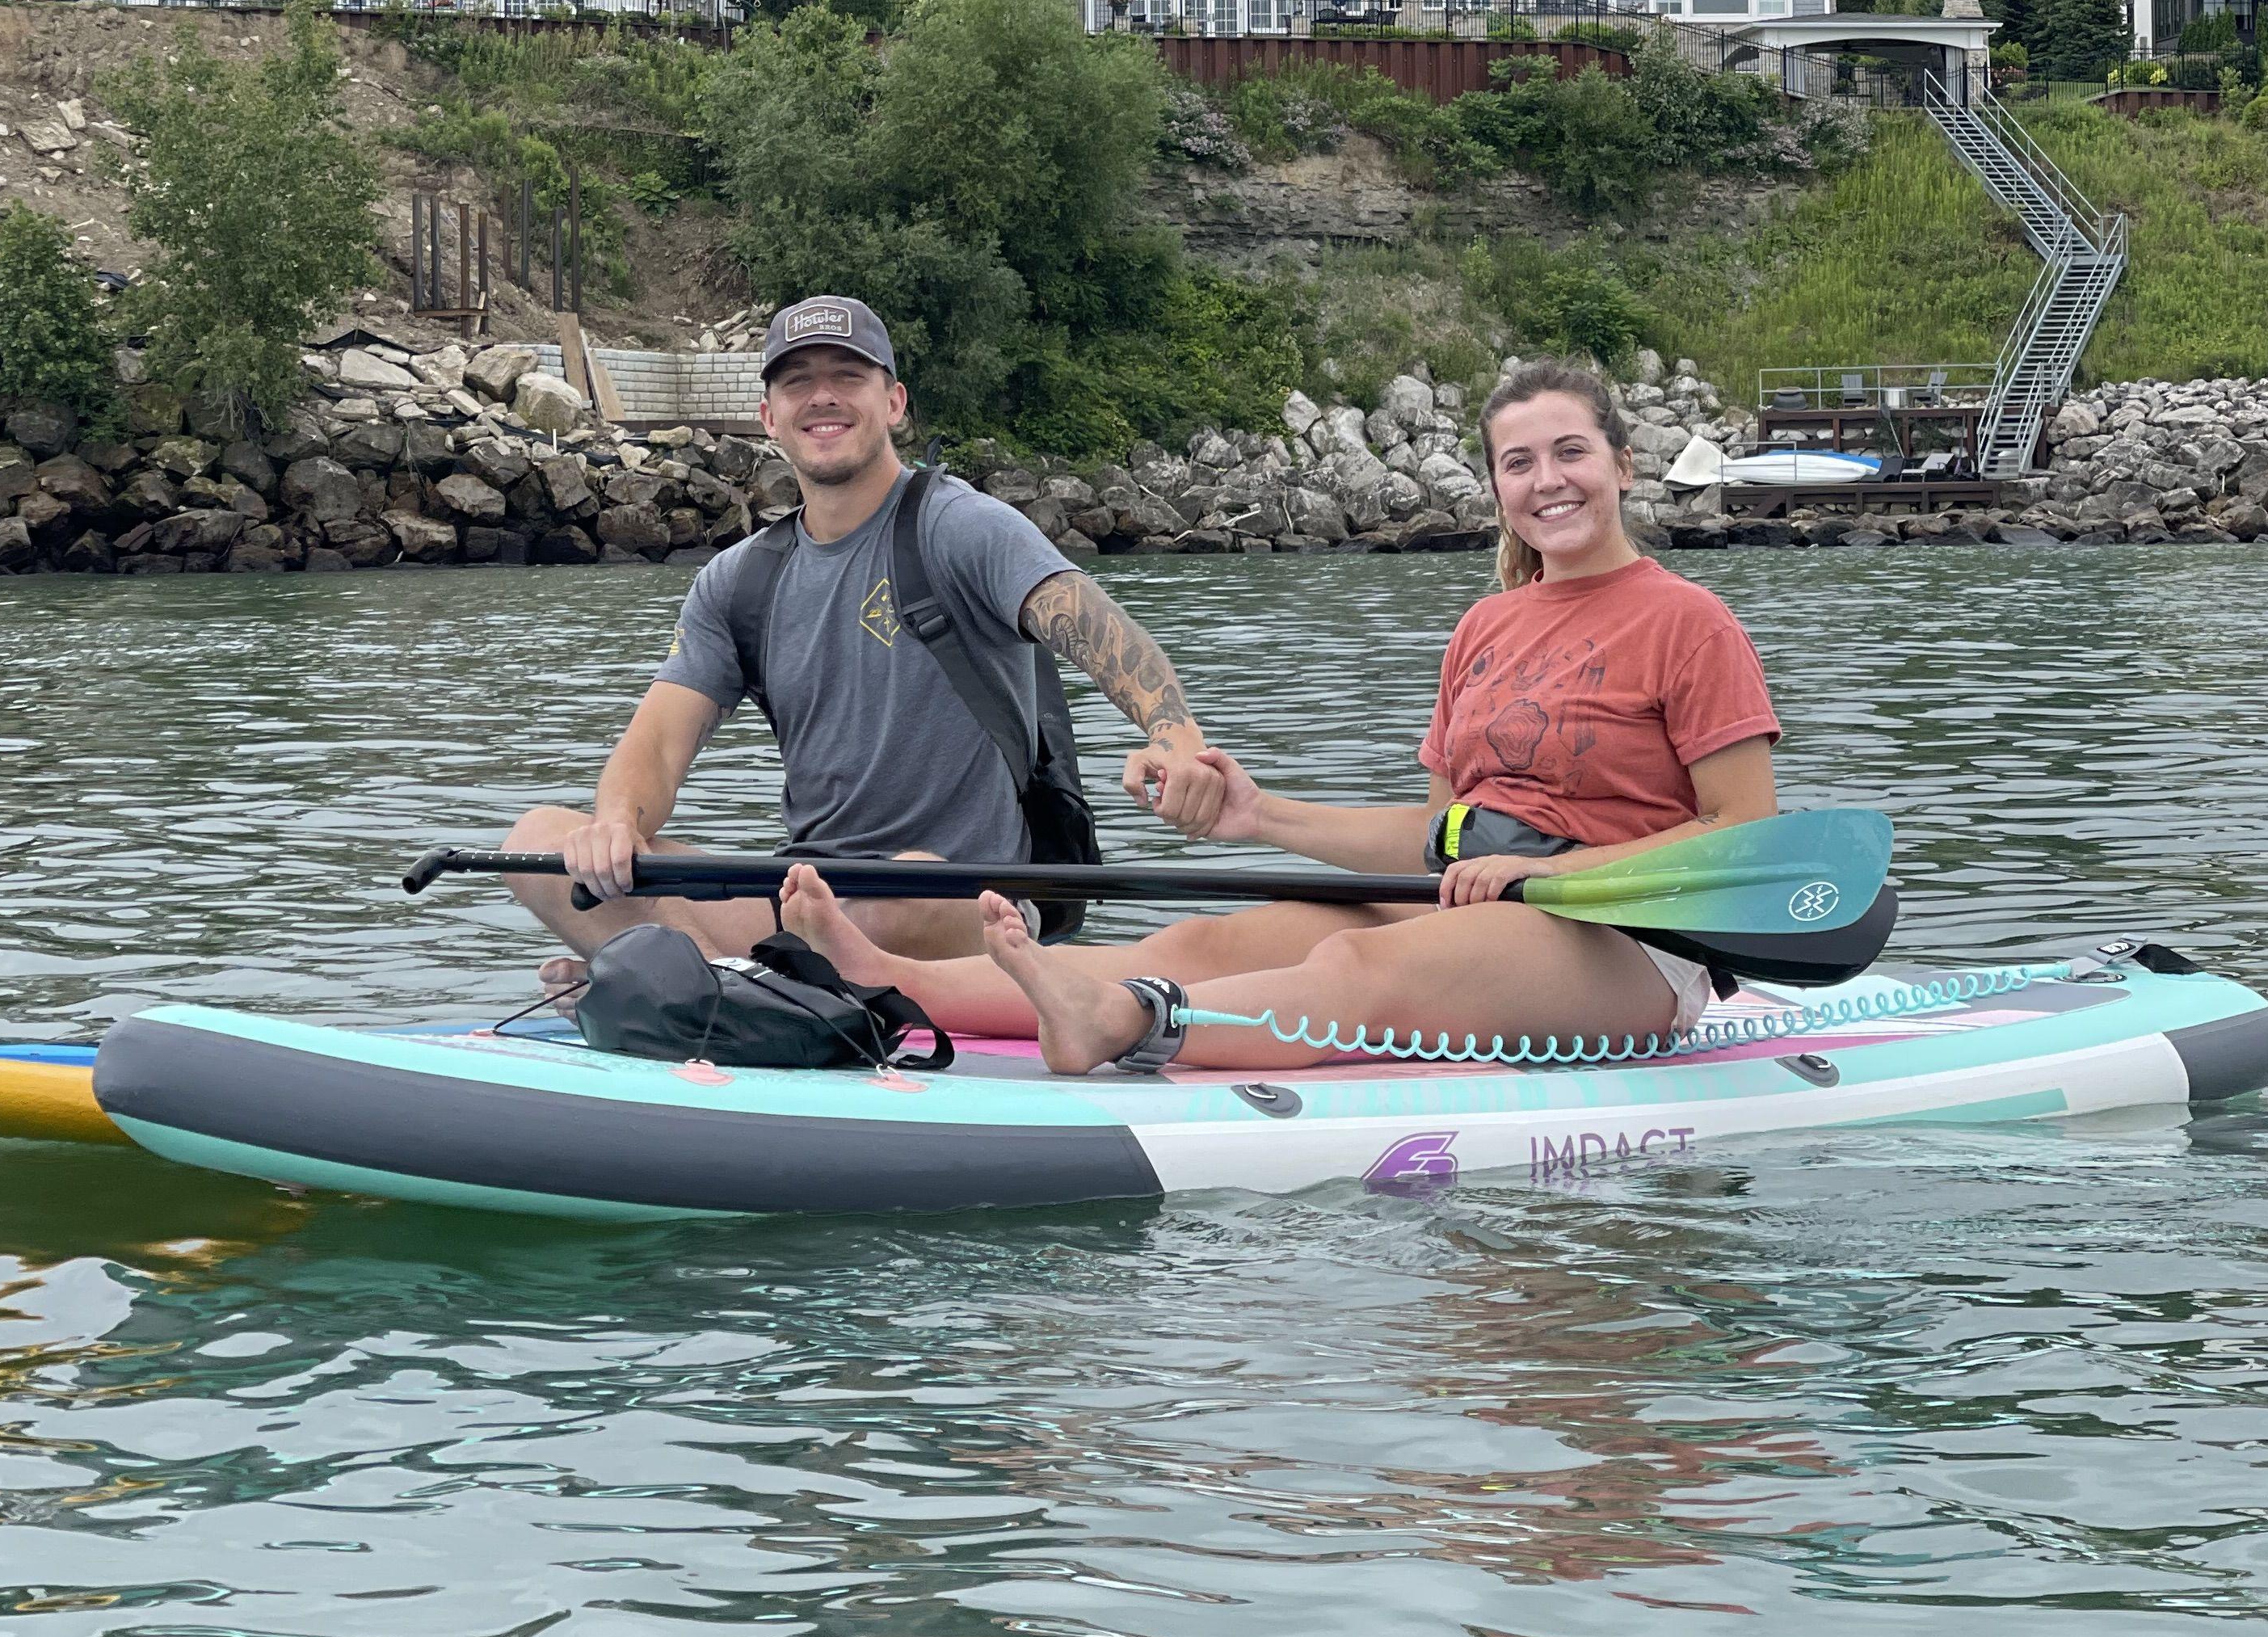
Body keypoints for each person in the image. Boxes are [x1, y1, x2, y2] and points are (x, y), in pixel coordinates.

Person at [776, 354, 1782, 1071]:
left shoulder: (1688, 623)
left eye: (1570, 453)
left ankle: (1119, 1023)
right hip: (1482, 911)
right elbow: (1437, 841)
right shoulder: (1485, 627)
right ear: (1496, 486)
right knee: (1201, 943)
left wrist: (1545, 871)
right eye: (1519, 463)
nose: (1547, 481)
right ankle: (880, 976)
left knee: (1353, 960)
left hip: (1627, 942)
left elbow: (1743, 838)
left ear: (1623, 467)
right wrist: (1260, 817)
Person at [497, 295, 1226, 978]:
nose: (823, 396)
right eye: (798, 382)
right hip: (806, 897)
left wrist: (1175, 733)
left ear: (894, 404)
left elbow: (1097, 627)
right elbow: (655, 745)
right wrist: (614, 826)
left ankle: (703, 979)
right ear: (769, 416)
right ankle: (725, 985)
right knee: (535, 840)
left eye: (849, 376)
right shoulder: (736, 582)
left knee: (895, 888)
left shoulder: (963, 527)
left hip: (958, 907)